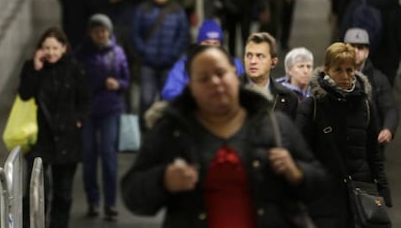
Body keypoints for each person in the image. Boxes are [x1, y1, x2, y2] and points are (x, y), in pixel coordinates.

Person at [120, 45, 328, 227]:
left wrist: (297, 173)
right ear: (190, 87)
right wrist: (162, 179)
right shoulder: (172, 130)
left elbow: (321, 186)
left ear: (234, 74)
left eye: (220, 73)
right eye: (203, 78)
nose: (215, 82)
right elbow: (132, 195)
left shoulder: (273, 124)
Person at [295, 42, 392, 228]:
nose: (345, 76)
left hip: (360, 193)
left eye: (349, 70)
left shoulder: (365, 105)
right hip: (324, 196)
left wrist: (383, 188)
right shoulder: (313, 106)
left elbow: (374, 152)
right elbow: (300, 151)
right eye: (338, 70)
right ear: (326, 70)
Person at [19, 27, 90, 228]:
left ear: (64, 48)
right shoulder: (32, 68)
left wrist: (79, 119)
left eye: (54, 48)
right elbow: (25, 94)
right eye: (46, 48)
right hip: (40, 137)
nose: (50, 52)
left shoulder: (75, 69)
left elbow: (85, 98)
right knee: (36, 190)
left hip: (67, 137)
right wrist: (35, 68)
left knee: (63, 193)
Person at [74, 14, 131, 220]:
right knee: (89, 158)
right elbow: (75, 83)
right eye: (97, 31)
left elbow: (126, 81)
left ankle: (110, 203)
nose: (101, 34)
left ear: (109, 32)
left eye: (104, 31)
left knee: (108, 157)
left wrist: (118, 85)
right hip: (88, 111)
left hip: (110, 109)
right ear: (90, 33)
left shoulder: (117, 53)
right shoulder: (81, 55)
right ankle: (93, 201)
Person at [132, 0, 190, 129]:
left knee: (169, 98)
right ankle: (144, 128)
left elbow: (183, 35)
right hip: (148, 62)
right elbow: (135, 33)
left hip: (168, 63)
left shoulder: (177, 11)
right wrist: (143, 51)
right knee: (146, 98)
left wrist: (174, 54)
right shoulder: (143, 9)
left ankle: (167, 129)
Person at [161, 19, 244, 101]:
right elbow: (169, 92)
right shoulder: (183, 65)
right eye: (207, 43)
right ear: (199, 44)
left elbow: (243, 91)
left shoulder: (234, 64)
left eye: (215, 43)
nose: (211, 47)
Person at [343, 28, 399, 147]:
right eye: (352, 46)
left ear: (367, 52)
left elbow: (390, 108)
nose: (356, 51)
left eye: (360, 48)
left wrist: (387, 129)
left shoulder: (378, 79)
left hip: (369, 144)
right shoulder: (333, 77)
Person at [240, 32, 299, 120]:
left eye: (260, 56)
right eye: (249, 55)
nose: (252, 61)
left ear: (274, 62)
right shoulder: (229, 92)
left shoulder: (289, 98)